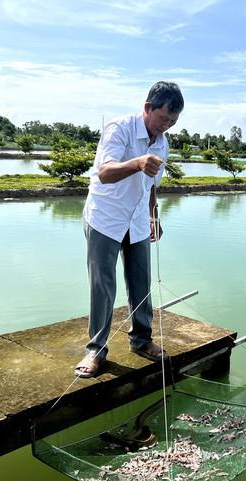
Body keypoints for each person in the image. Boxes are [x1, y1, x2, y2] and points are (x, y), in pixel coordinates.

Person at [75, 81, 184, 378]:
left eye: (173, 122)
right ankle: (95, 350)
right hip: (106, 218)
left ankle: (141, 340)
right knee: (103, 285)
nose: (166, 126)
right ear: (147, 108)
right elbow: (105, 173)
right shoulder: (119, 128)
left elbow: (151, 186)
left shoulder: (162, 142)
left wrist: (154, 217)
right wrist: (137, 162)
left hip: (136, 220)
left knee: (140, 282)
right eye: (163, 118)